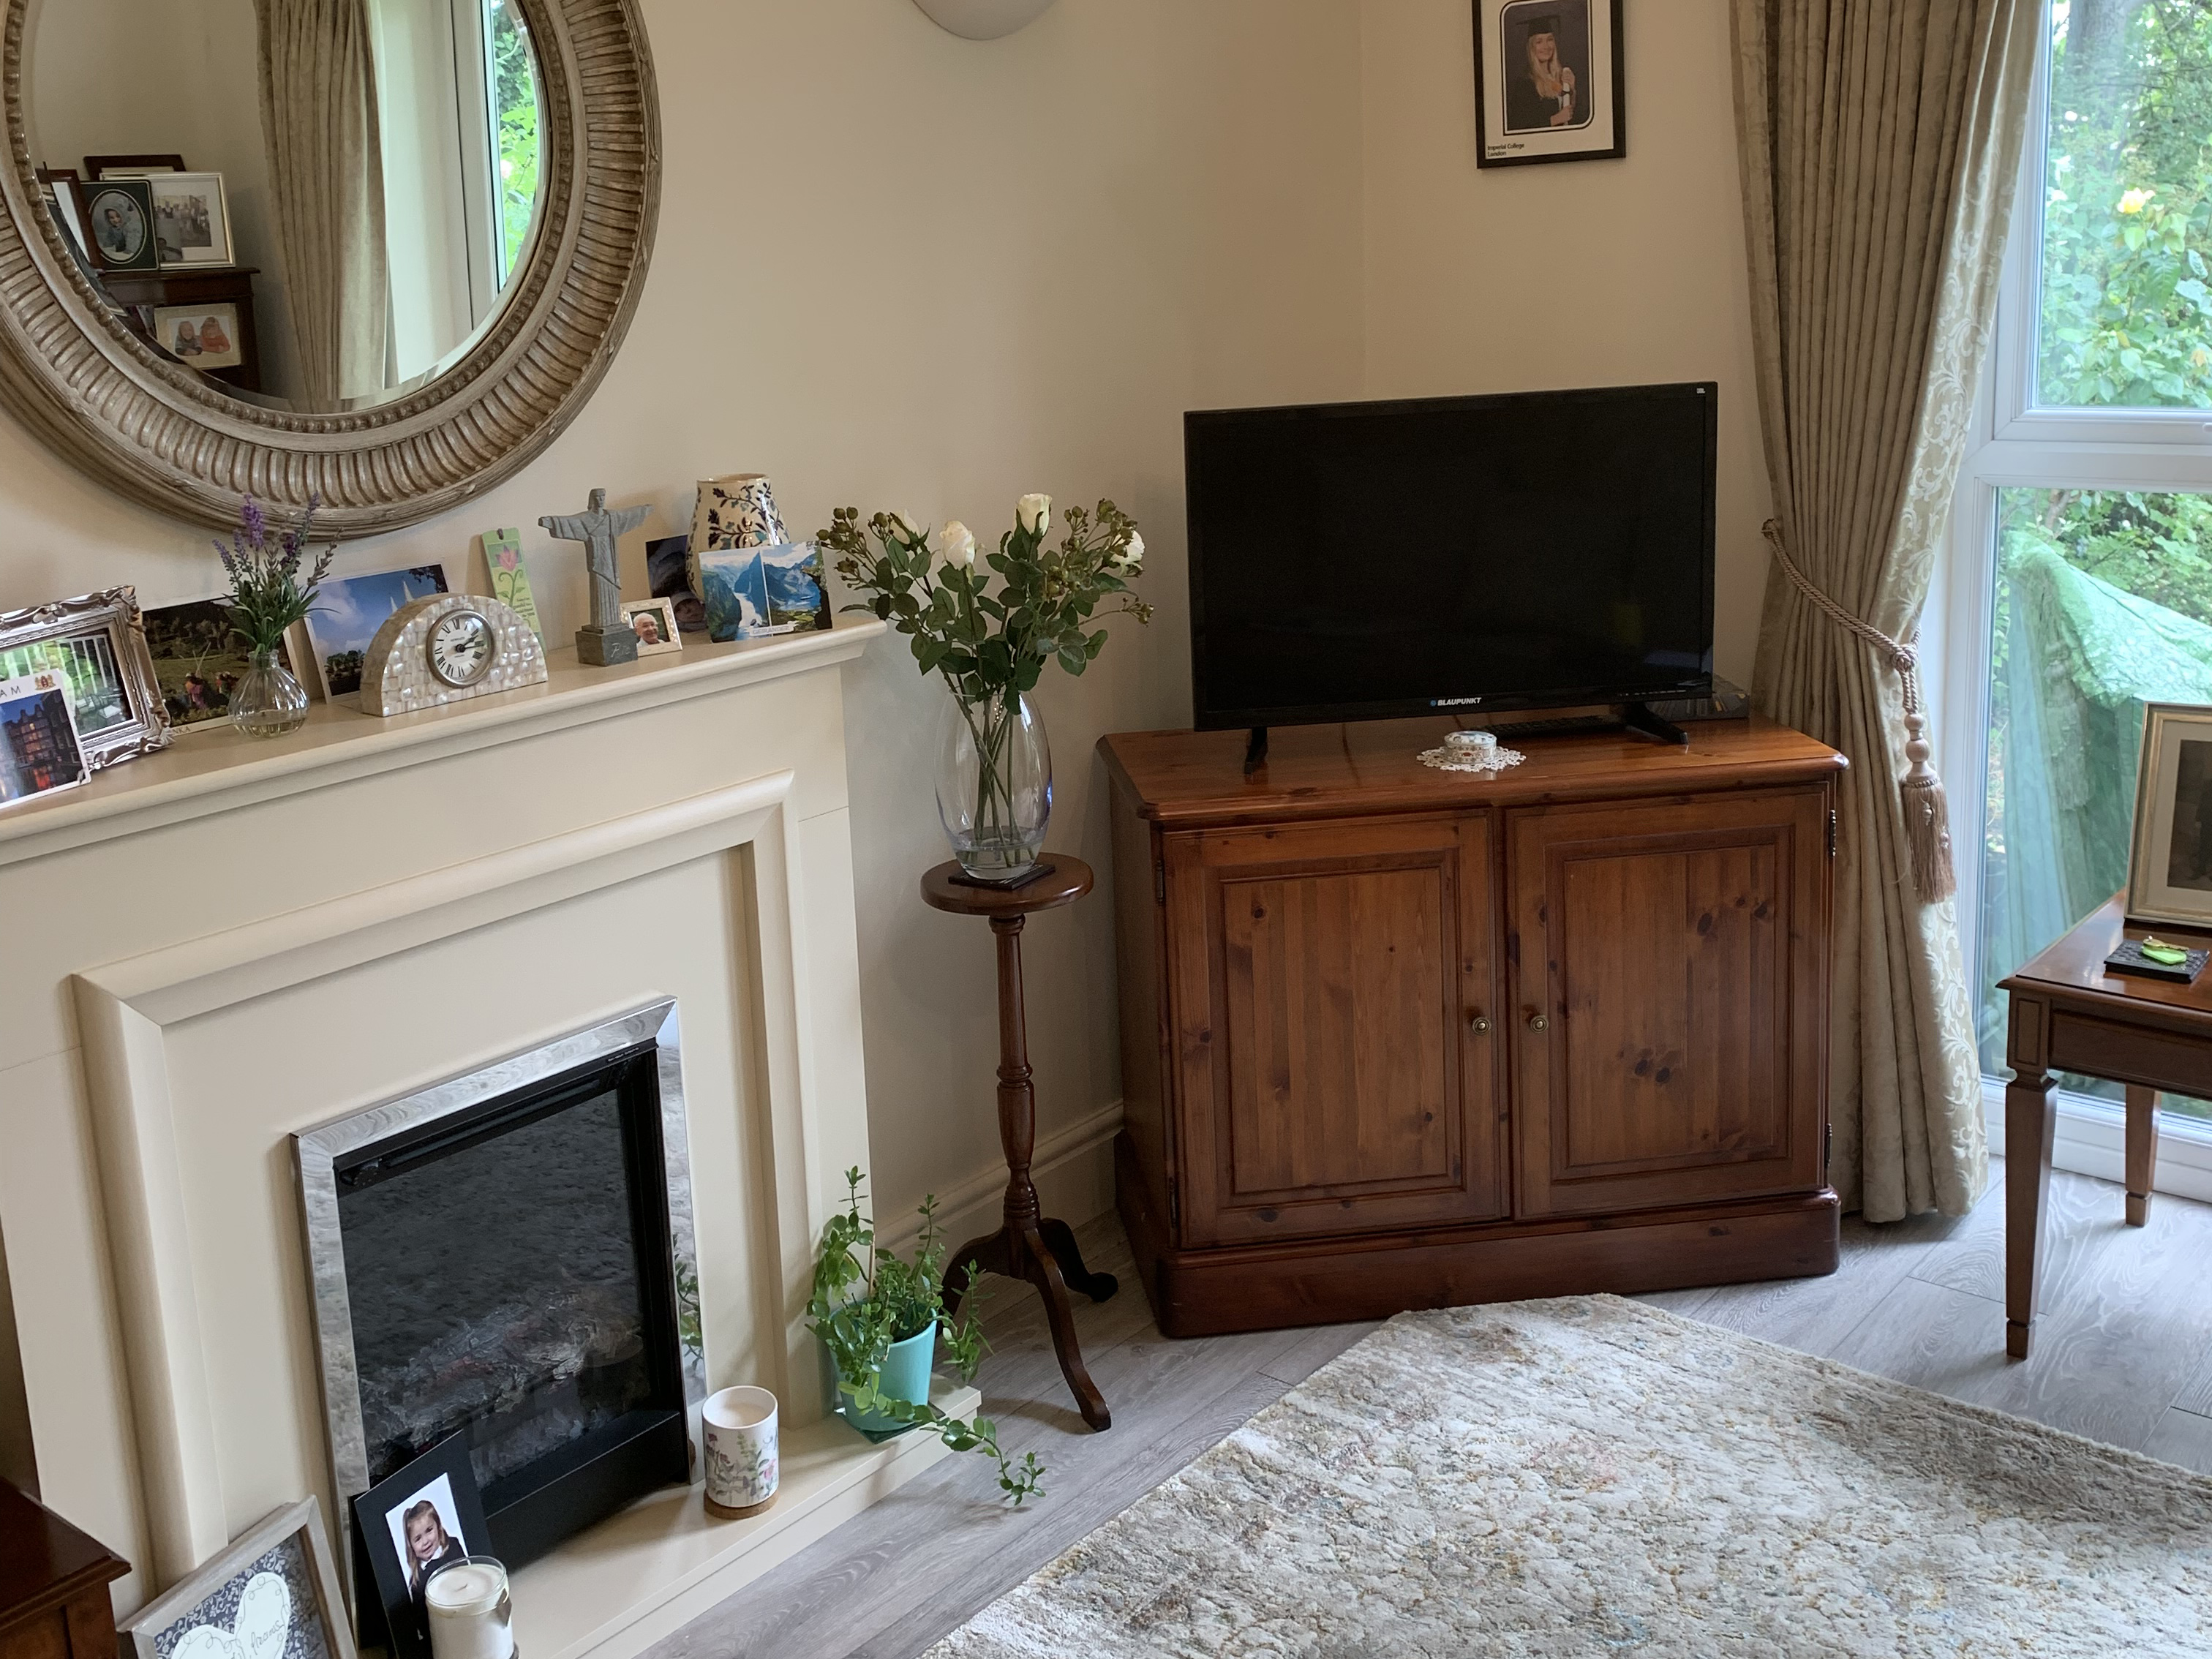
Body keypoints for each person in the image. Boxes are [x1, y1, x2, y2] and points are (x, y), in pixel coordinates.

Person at [1505, 15, 1579, 132]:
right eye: (1539, 42)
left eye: (1550, 39)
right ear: (1531, 47)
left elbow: (1572, 117)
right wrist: (1554, 120)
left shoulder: (1560, 76)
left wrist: (1572, 89)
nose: (1546, 46)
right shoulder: (1525, 83)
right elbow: (1518, 126)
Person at [402, 1497, 467, 1605]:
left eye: (429, 1530)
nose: (425, 1541)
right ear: (411, 1546)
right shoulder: (417, 1582)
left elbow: (467, 1574)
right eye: (418, 1539)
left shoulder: (453, 1546)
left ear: (438, 1527)